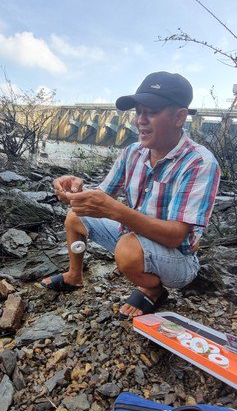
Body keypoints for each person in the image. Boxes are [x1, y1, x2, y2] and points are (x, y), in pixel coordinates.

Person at [41, 72, 220, 319]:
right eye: (138, 112)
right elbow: (101, 196)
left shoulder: (199, 163)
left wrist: (116, 210)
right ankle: (75, 276)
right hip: (135, 237)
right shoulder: (132, 153)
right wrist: (77, 192)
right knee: (74, 217)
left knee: (127, 249)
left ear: (179, 117)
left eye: (151, 112)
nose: (140, 121)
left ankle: (153, 290)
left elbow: (176, 237)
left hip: (178, 259)